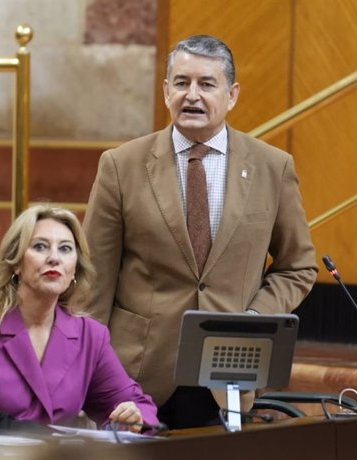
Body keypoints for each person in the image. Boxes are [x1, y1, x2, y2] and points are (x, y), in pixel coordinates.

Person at [82, 34, 318, 429]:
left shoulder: (271, 167)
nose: (192, 95)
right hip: (137, 375)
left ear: (232, 95)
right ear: (165, 90)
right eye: (181, 82)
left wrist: (254, 318)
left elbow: (298, 267)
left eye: (207, 84)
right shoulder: (121, 166)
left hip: (229, 370)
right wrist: (89, 371)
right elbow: (95, 281)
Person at [0, 204, 159, 431]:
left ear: (74, 269)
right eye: (40, 247)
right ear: (16, 263)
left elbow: (138, 405)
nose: (54, 258)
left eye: (65, 249)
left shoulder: (90, 336)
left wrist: (133, 418)